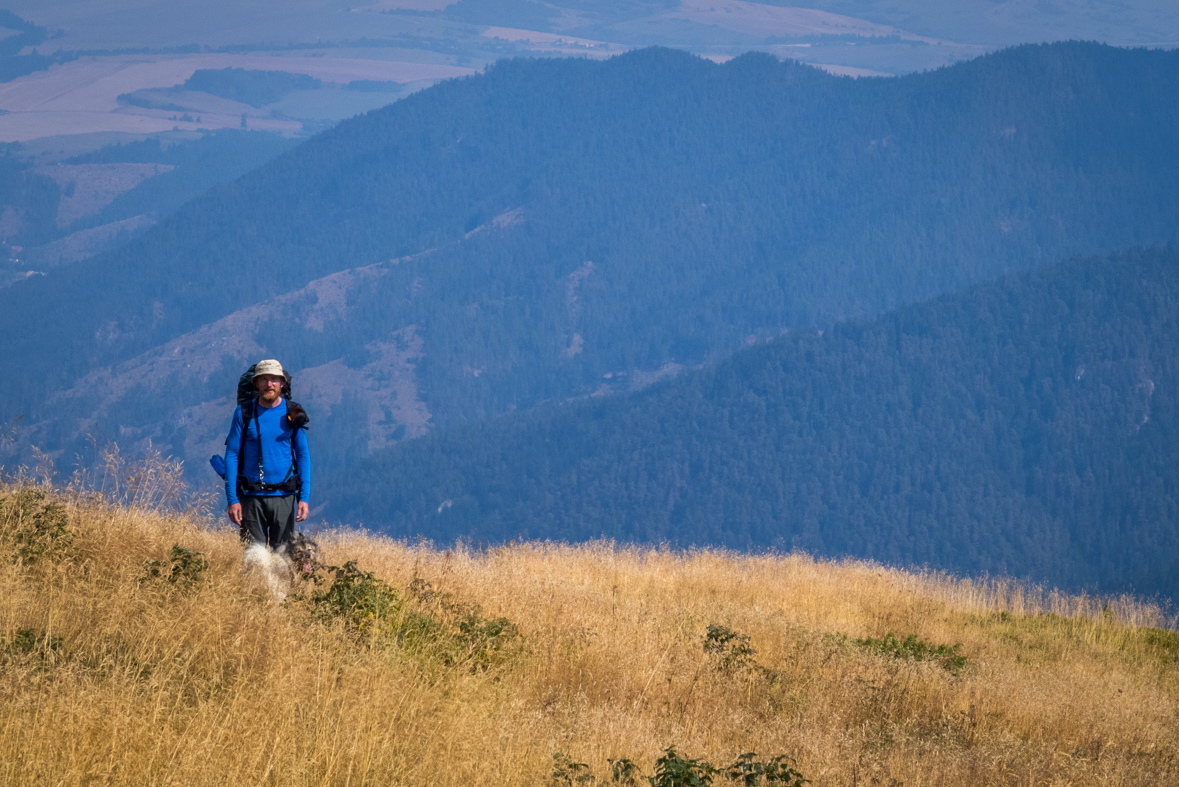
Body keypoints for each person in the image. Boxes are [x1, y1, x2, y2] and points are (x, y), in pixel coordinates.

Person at [224, 359, 310, 549]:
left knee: (283, 558)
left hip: (284, 496)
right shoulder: (243, 413)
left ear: (282, 383)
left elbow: (303, 456)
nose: (269, 384)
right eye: (264, 379)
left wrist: (304, 498)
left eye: (274, 379)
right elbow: (231, 455)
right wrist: (232, 500)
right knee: (254, 559)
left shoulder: (293, 412)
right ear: (256, 383)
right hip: (251, 496)